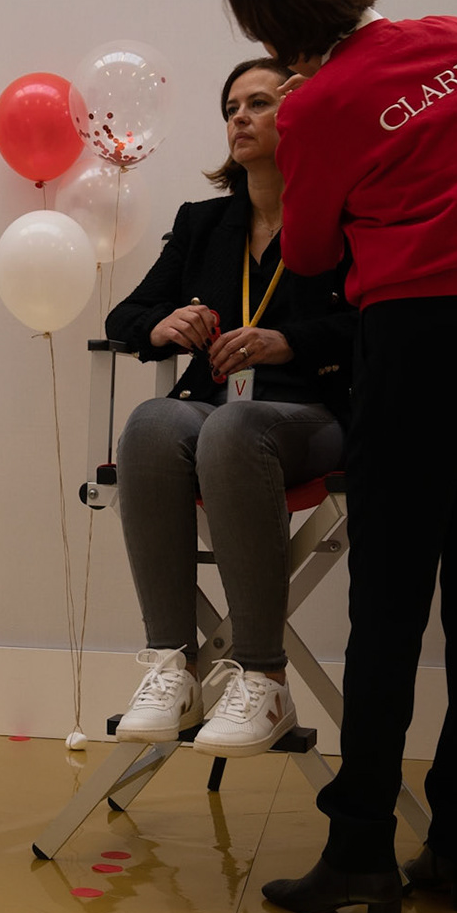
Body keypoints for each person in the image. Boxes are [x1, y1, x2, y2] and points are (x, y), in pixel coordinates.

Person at [225, 0, 457, 913]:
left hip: (419, 325)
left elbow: (310, 248)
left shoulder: (317, 103)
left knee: (392, 595)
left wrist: (329, 136)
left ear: (274, 32)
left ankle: (361, 846)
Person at [105, 58, 356, 758]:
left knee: (233, 426)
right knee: (152, 422)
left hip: (314, 412)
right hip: (216, 409)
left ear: (301, 115)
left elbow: (376, 324)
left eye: (260, 103)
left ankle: (265, 679)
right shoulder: (204, 222)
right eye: (231, 107)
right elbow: (128, 314)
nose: (240, 117)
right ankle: (172, 668)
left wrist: (289, 341)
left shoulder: (345, 216)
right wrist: (163, 325)